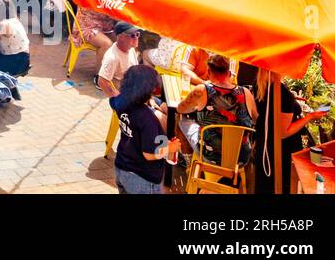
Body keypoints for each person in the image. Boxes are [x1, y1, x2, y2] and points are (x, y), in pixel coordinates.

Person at [249, 67, 330, 194]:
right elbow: (282, 133)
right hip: (279, 151)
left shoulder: (259, 85)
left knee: (264, 186)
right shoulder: (283, 94)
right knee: (278, 186)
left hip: (263, 145)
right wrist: (310, 116)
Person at [110, 65, 179, 194]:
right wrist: (171, 148)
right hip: (141, 178)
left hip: (122, 167)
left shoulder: (120, 101)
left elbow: (112, 101)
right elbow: (149, 154)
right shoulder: (148, 119)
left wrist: (149, 100)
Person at [176, 54, 256, 163]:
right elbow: (255, 118)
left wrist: (197, 106)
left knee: (182, 120)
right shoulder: (246, 92)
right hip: (240, 158)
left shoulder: (201, 90)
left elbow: (180, 109)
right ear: (228, 73)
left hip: (211, 156)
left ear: (208, 73)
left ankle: (188, 161)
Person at [97, 22, 140, 98]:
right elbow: (102, 81)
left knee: (165, 106)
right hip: (127, 95)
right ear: (121, 37)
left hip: (135, 91)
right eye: (132, 35)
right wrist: (119, 99)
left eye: (137, 34)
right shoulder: (112, 58)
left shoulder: (131, 49)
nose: (136, 37)